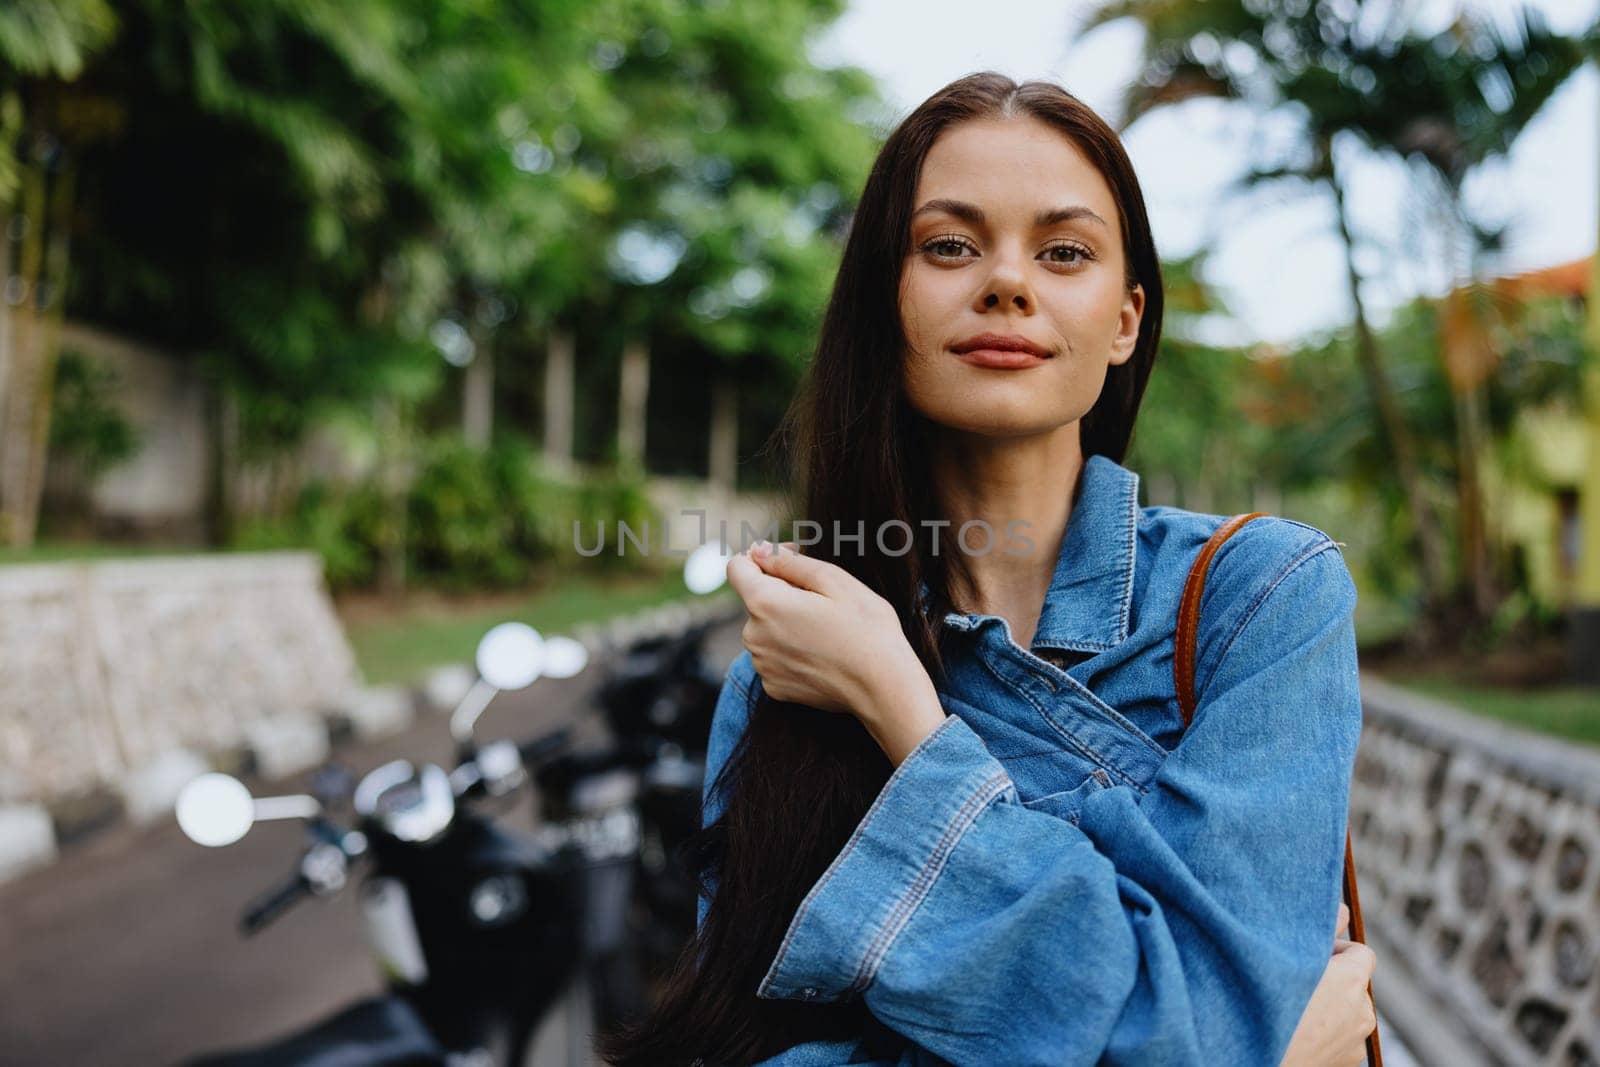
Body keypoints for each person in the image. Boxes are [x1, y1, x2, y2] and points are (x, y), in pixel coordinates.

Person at [600, 71, 1377, 1067]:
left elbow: (1206, 1031)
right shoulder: (788, 672)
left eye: (1063, 251)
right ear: (887, 305)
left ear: (1126, 319)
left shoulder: (1259, 598)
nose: (1007, 282)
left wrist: (904, 713)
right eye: (949, 245)